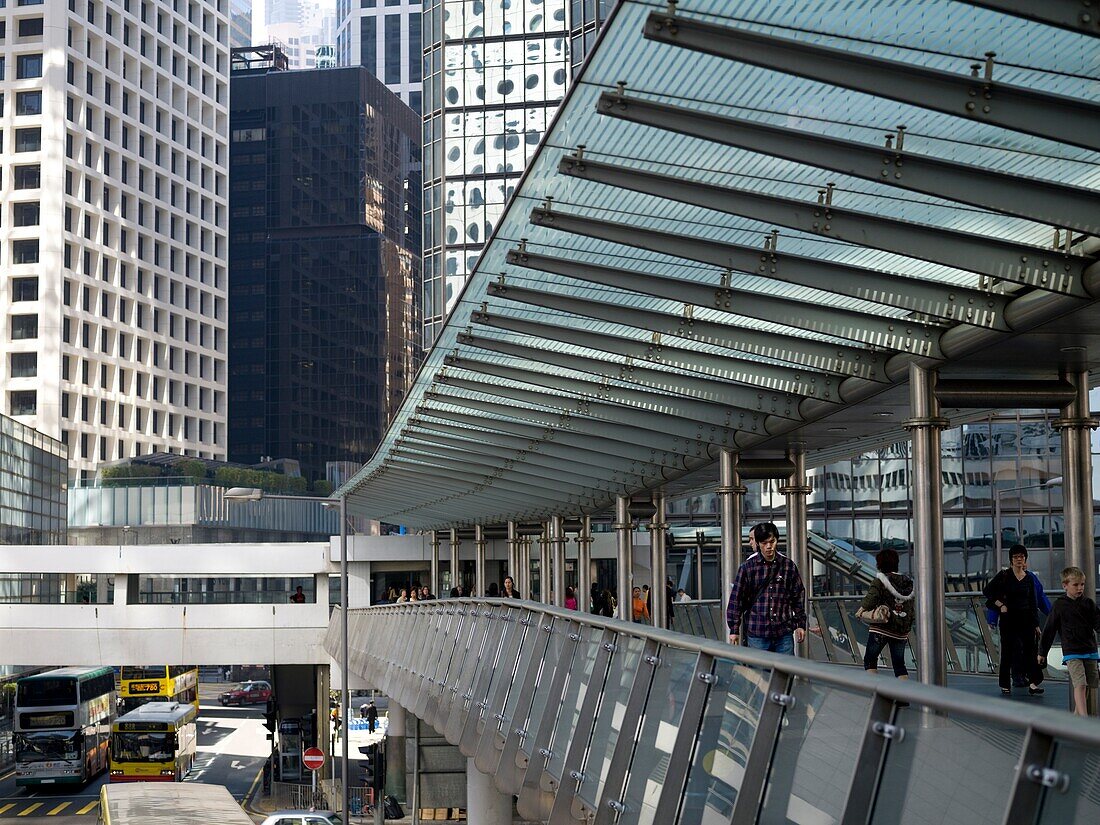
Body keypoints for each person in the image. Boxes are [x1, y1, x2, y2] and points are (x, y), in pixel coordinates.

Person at [726, 522, 807, 654]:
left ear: (777, 540)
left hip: (783, 632)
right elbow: (737, 599)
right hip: (758, 633)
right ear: (758, 543)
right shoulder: (748, 567)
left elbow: (797, 596)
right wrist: (734, 629)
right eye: (764, 543)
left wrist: (800, 624)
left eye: (772, 541)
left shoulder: (788, 566)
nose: (769, 546)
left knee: (786, 672)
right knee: (759, 673)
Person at [983, 545, 1050, 696]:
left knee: (1030, 651)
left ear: (1025, 559)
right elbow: (987, 591)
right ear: (1011, 560)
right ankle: (1005, 684)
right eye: (1016, 557)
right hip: (1009, 620)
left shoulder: (1029, 578)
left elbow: (1033, 603)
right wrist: (1001, 605)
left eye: (1022, 556)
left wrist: (1036, 624)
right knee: (1007, 652)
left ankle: (1033, 683)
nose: (1019, 559)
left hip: (1026, 619)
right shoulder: (1004, 575)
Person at [1039, 567, 1100, 716]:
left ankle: (1076, 715)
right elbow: (1049, 630)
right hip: (1072, 651)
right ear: (1065, 585)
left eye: (1082, 585)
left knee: (1089, 683)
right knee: (1080, 683)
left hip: (1089, 649)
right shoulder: (1059, 605)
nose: (1080, 588)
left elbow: (1098, 623)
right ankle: (1083, 718)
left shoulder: (1088, 604)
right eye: (1076, 585)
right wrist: (1042, 652)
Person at [860, 548, 915, 680]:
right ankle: (904, 695)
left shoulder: (880, 581)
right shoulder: (907, 582)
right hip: (901, 629)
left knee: (870, 660)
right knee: (899, 665)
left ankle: (876, 692)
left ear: (880, 564)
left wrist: (862, 609)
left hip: (882, 627)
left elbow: (871, 599)